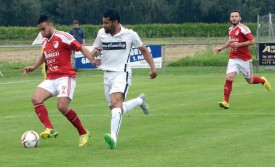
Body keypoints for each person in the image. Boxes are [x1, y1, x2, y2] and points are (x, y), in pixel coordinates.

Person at [90, 9, 157, 149]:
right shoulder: (101, 33)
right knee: (116, 108)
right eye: (103, 22)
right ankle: (140, 101)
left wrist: (153, 69)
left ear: (115, 22)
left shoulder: (130, 34)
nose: (103, 25)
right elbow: (97, 49)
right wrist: (95, 54)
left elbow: (144, 50)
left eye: (106, 23)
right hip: (107, 75)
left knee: (116, 103)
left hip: (122, 74)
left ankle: (113, 137)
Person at [22, 15, 94, 147]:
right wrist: (33, 67)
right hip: (52, 77)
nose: (42, 33)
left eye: (43, 29)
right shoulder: (44, 40)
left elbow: (81, 48)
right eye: (40, 30)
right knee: (36, 98)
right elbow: (45, 55)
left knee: (62, 107)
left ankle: (83, 132)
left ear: (50, 25)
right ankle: (50, 128)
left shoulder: (63, 36)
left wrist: (93, 60)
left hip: (65, 77)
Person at [215, 9, 271, 109]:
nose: (234, 18)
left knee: (250, 81)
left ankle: (262, 81)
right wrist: (221, 48)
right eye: (232, 16)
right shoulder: (230, 29)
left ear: (240, 18)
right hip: (233, 58)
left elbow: (252, 41)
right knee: (229, 78)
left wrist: (239, 44)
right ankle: (226, 102)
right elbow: (231, 41)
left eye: (236, 16)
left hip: (245, 59)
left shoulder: (243, 28)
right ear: (230, 18)